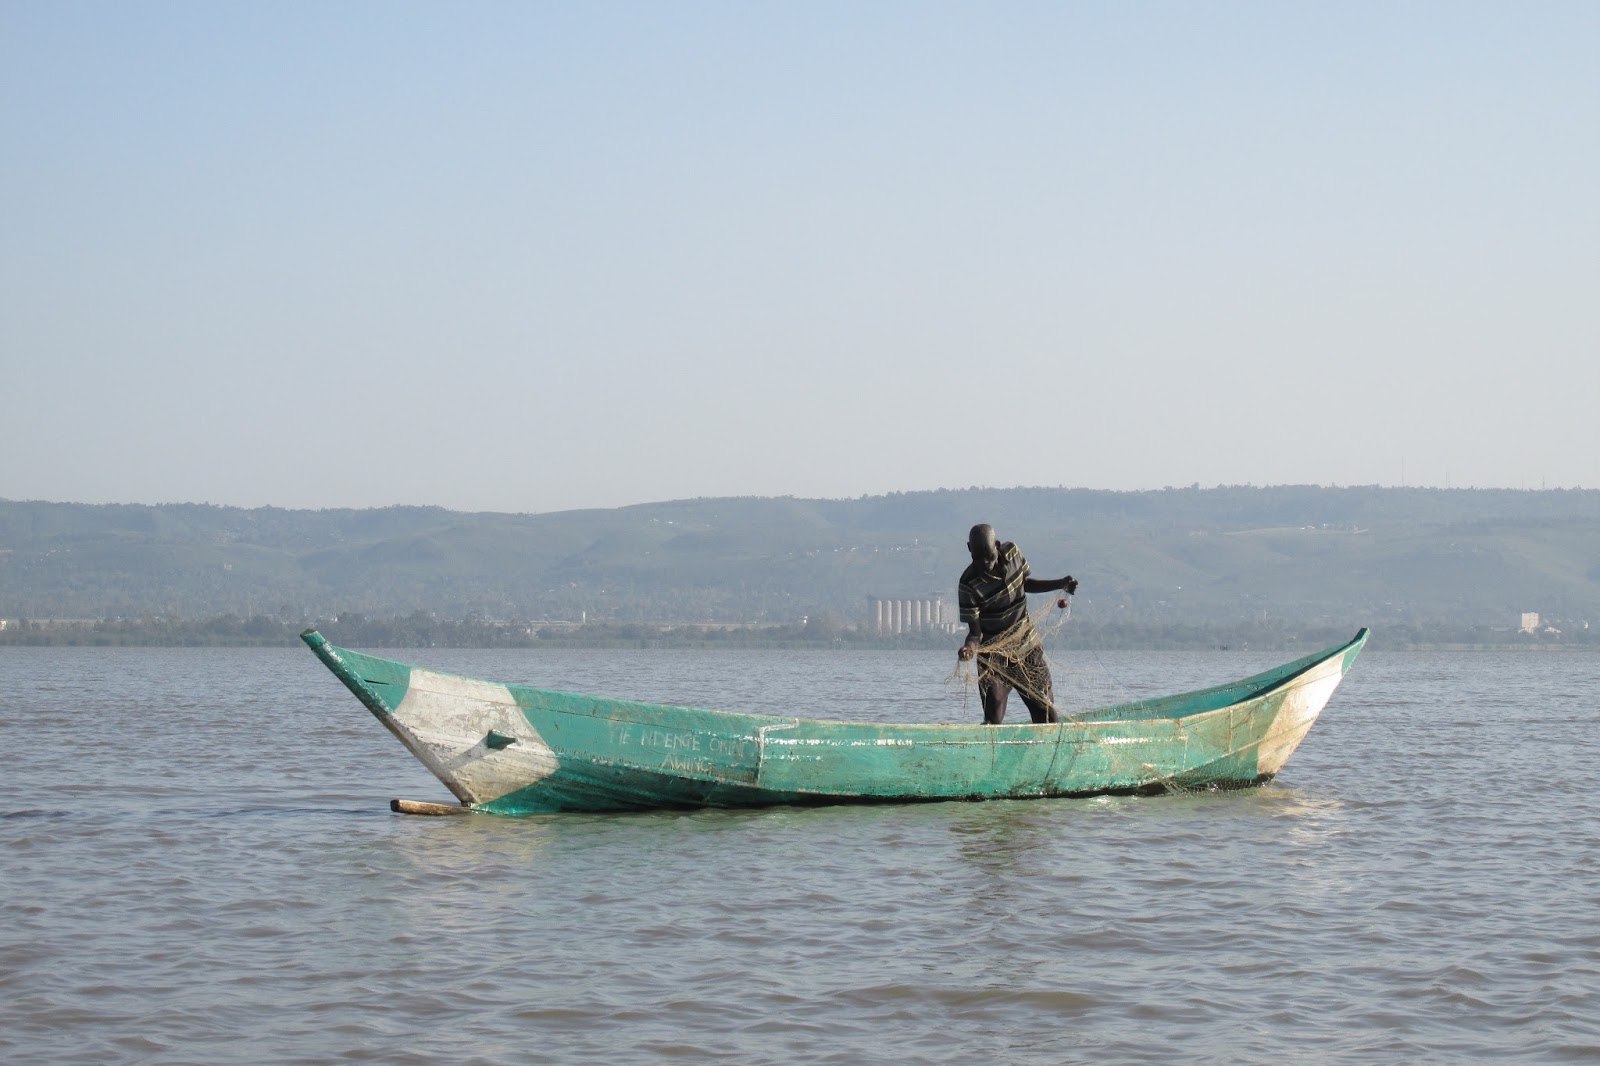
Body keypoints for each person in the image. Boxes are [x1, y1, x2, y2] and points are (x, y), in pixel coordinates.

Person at [956, 523, 1078, 724]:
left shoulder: (1012, 553)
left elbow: (1024, 583)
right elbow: (975, 633)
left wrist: (1059, 584)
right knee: (993, 719)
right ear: (969, 549)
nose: (985, 564)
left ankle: (1049, 741)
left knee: (1045, 713)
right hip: (994, 659)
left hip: (1027, 648)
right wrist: (968, 649)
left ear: (997, 545)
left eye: (989, 557)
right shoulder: (968, 584)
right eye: (978, 558)